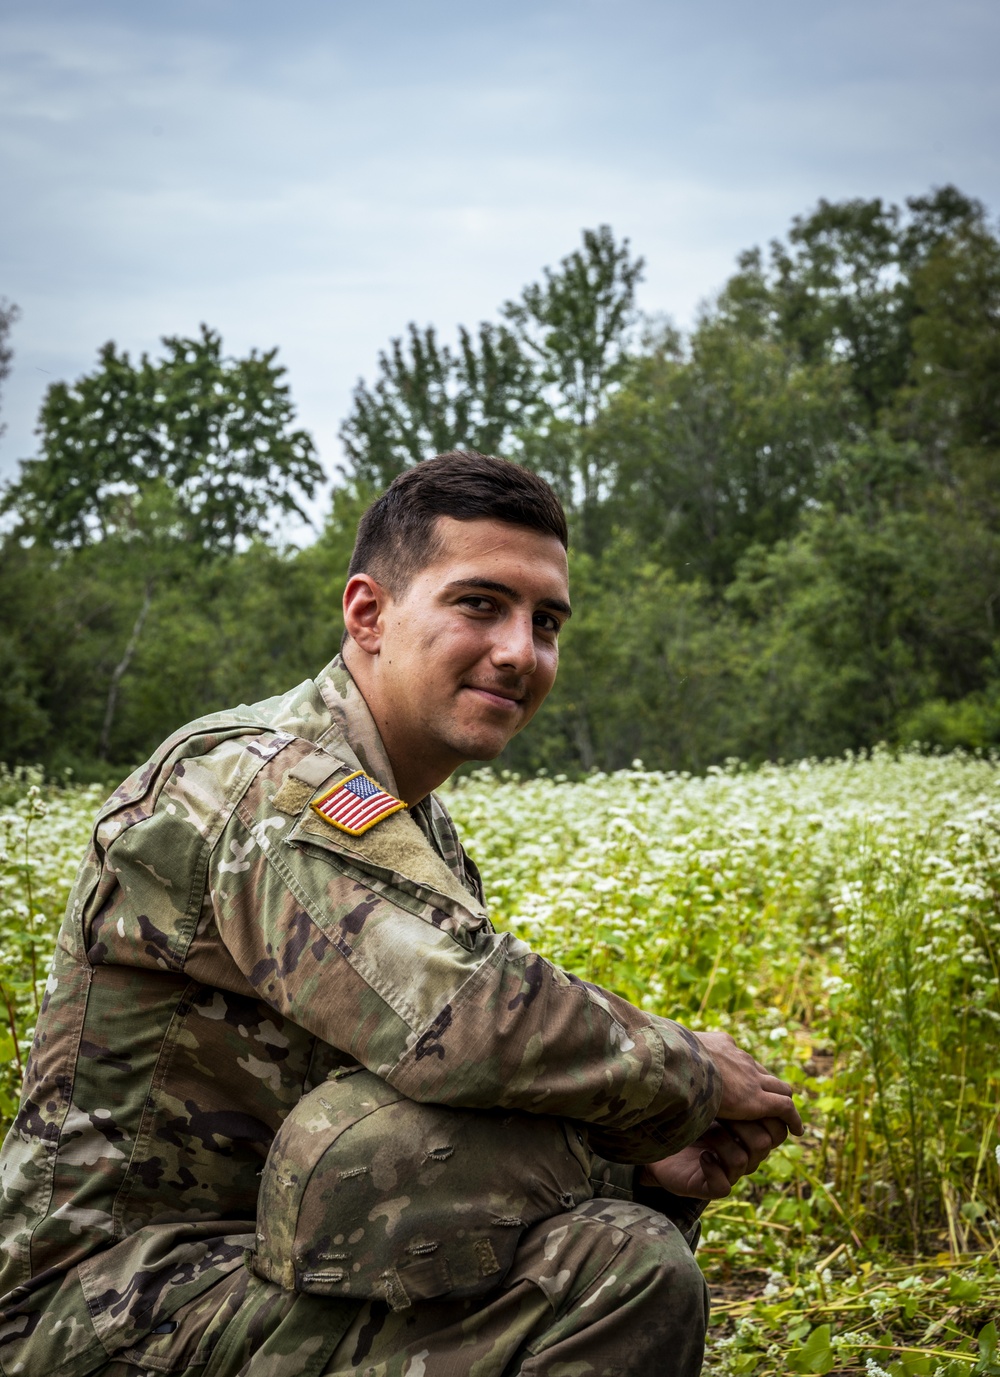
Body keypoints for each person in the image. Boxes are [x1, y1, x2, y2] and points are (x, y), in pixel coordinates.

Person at [0, 452, 801, 1377]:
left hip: (247, 1266)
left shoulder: (409, 818)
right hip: (102, 1306)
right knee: (618, 1273)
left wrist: (636, 1163)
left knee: (610, 1235)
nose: (519, 650)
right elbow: (463, 1028)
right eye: (480, 604)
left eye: (546, 622)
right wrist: (689, 1074)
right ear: (368, 614)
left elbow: (431, 1099)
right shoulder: (266, 785)